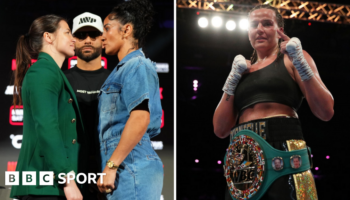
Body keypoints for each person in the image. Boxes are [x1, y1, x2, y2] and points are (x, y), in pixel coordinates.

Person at [213, 4, 333, 200]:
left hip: (283, 152)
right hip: (242, 161)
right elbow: (220, 129)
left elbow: (326, 111)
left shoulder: (292, 58)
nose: (259, 29)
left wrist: (301, 63)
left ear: (280, 31)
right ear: (248, 32)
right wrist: (232, 79)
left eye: (267, 23)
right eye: (254, 24)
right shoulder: (241, 70)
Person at [10, 15, 87, 200]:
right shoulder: (43, 71)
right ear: (48, 37)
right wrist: (68, 180)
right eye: (67, 32)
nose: (73, 39)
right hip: (42, 185)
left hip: (48, 185)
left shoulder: (51, 71)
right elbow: (47, 126)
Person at [96, 0, 163, 199]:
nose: (102, 36)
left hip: (131, 163)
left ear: (126, 30)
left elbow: (140, 118)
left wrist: (111, 165)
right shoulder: (124, 69)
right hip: (127, 163)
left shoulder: (136, 65)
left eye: (107, 28)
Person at [64, 12, 111, 200]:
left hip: (107, 174)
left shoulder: (115, 80)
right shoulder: (62, 80)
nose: (88, 40)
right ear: (73, 40)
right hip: (71, 174)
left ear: (102, 38)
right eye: (81, 36)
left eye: (93, 35)